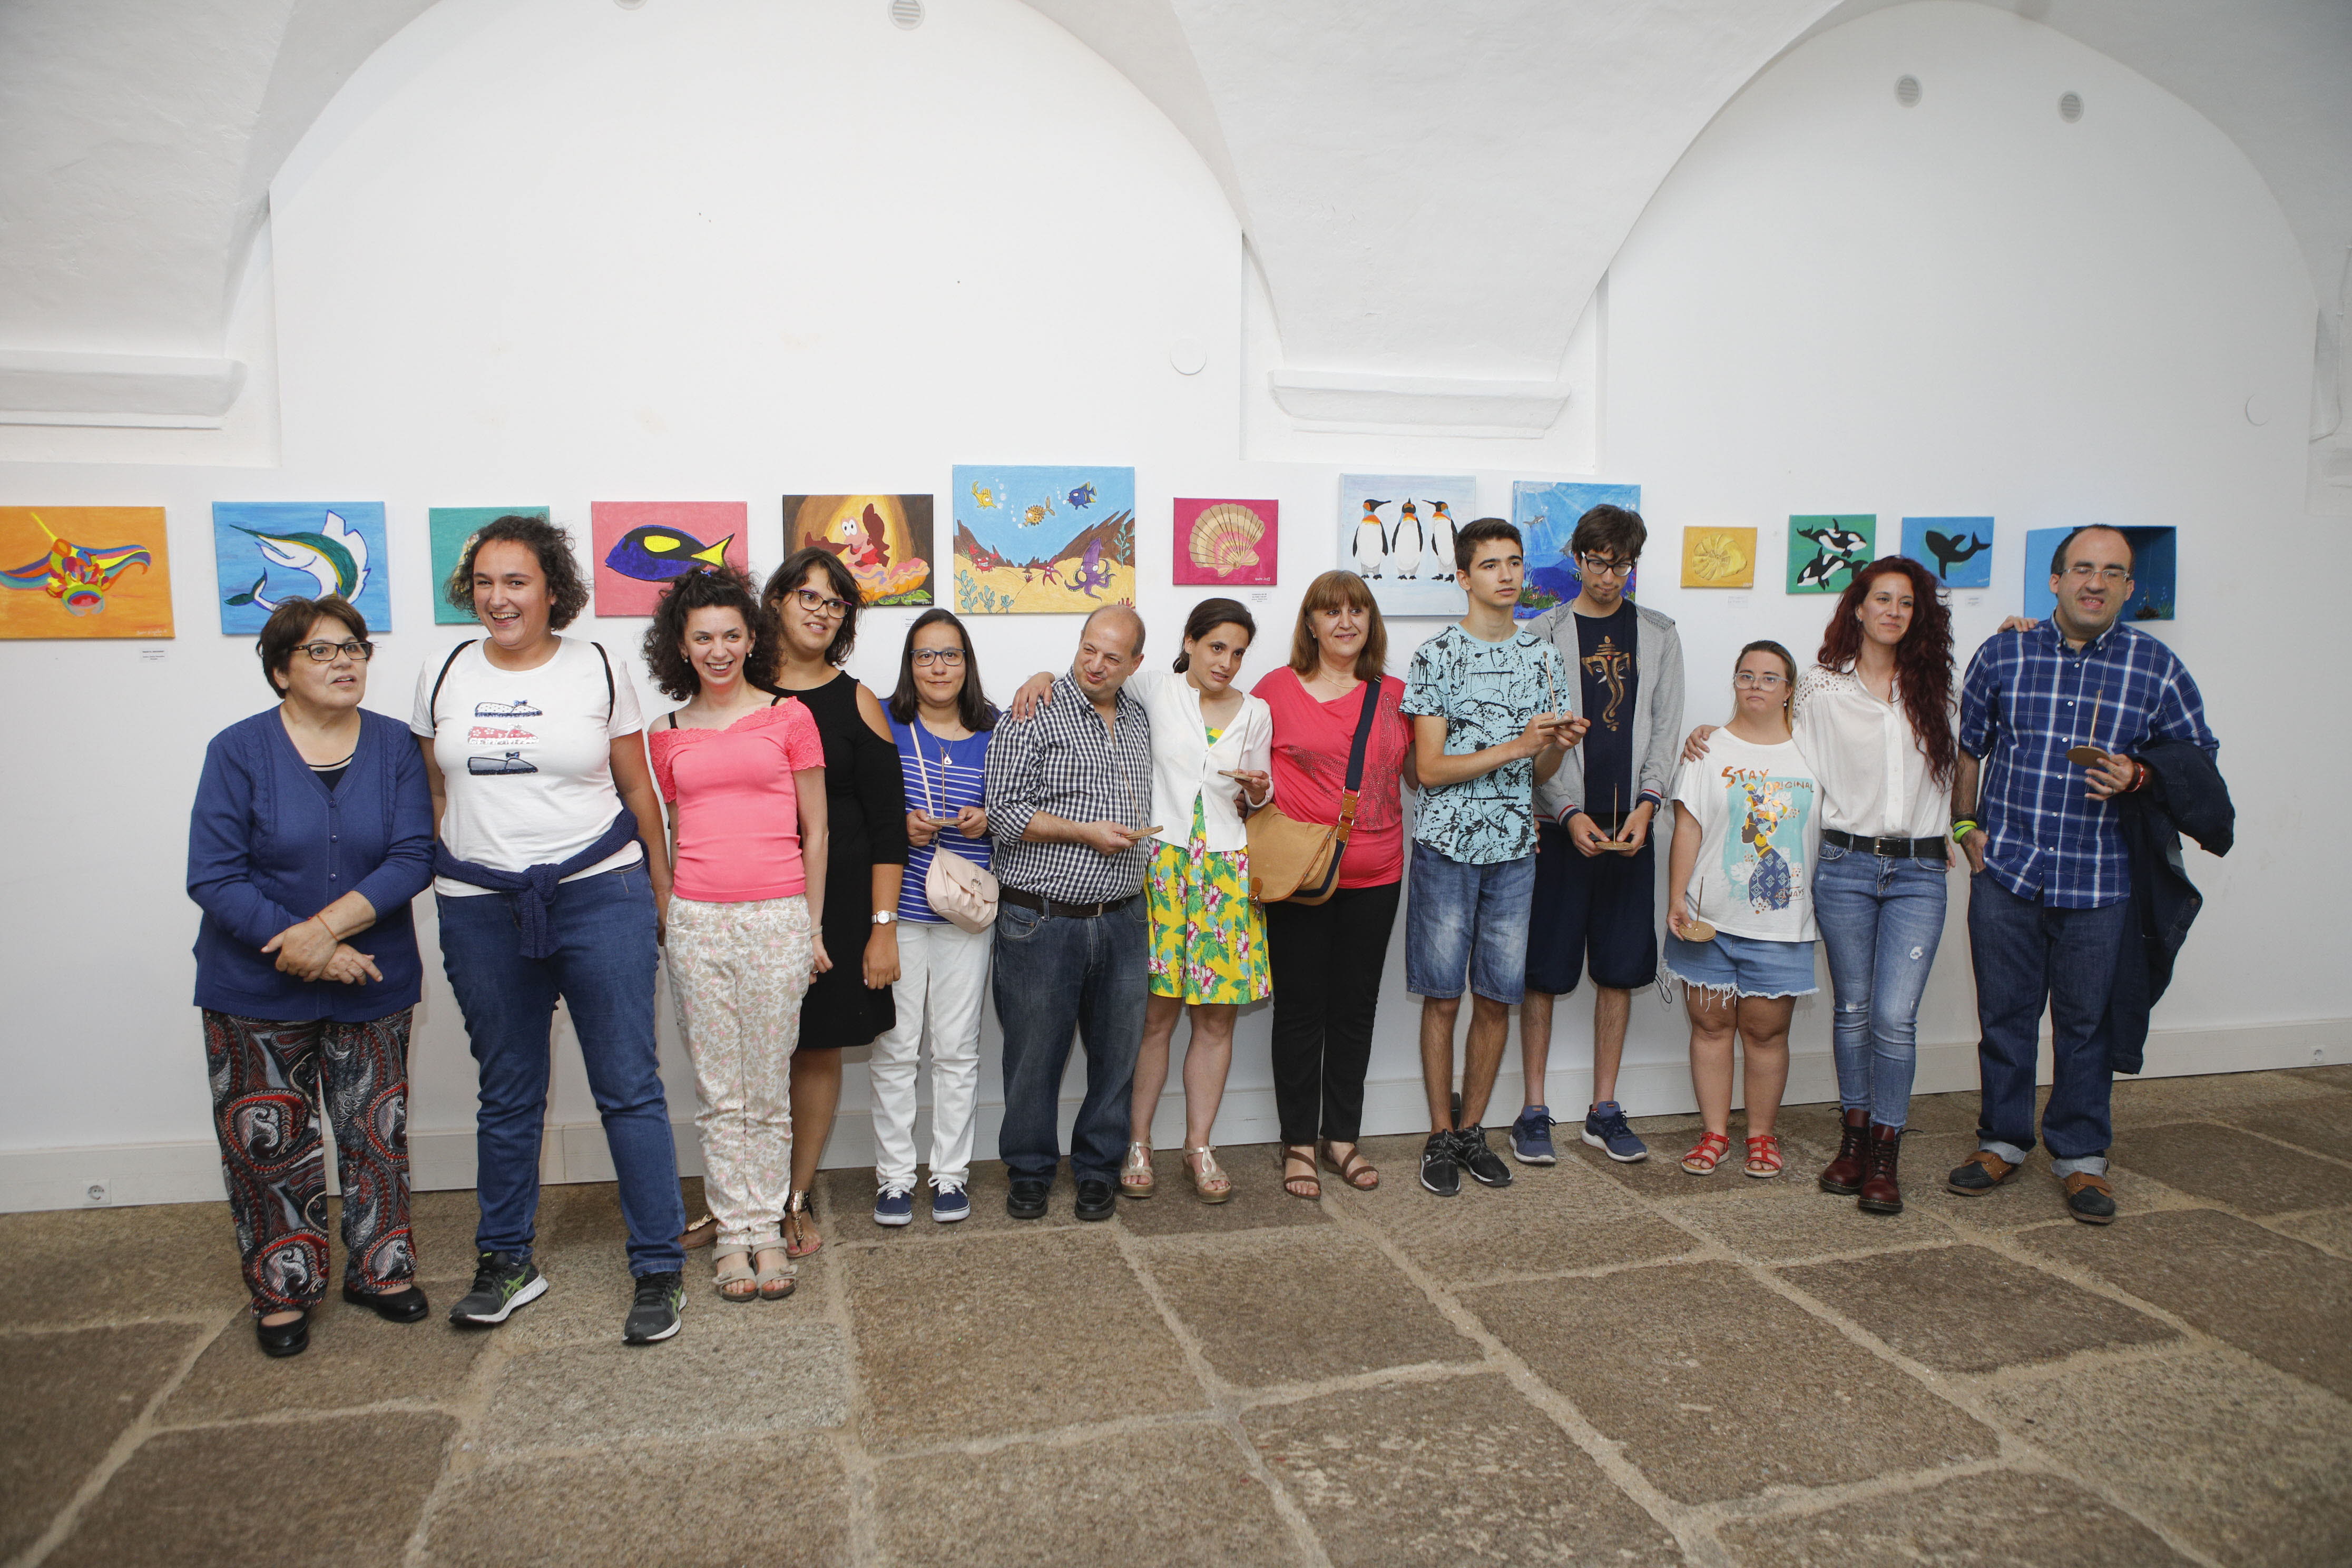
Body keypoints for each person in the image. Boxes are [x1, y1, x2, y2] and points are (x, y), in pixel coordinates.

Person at [414, 515, 688, 1345]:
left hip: (599, 896)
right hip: (480, 905)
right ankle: (505, 1259)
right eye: (486, 584)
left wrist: (662, 893)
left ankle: (659, 1267)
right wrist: (455, 878)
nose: (499, 599)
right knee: (507, 1089)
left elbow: (641, 793)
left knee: (627, 1084)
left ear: (553, 590)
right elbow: (437, 792)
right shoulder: (442, 671)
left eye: (518, 582)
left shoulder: (599, 666)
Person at [188, 596, 435, 1358]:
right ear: (279, 670)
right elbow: (215, 876)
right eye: (322, 651)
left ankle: (379, 1271)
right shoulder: (238, 750)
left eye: (354, 648)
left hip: (371, 979)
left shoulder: (395, 746)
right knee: (270, 1148)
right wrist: (308, 948)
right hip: (254, 990)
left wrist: (326, 932)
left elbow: (413, 856)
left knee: (375, 1136)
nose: (345, 662)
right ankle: (282, 1289)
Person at [1950, 524, 2216, 1223]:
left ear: (2130, 587)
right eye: (2083, 568)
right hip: (2007, 873)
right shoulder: (2003, 652)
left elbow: (2198, 755)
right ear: (2056, 579)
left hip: (2103, 883)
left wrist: (2141, 772)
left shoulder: (2156, 668)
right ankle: (2002, 1141)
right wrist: (1964, 826)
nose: (2095, 582)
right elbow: (1969, 747)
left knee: (2087, 1025)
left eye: (2112, 572)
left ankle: (2080, 1157)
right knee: (2004, 1019)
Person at [1681, 559, 1957, 1213]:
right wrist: (1707, 738)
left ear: (1919, 616)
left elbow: (1969, 758)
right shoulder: (1820, 691)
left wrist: (2021, 626)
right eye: (1880, 599)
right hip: (1846, 870)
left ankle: (1887, 1152)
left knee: (1895, 1016)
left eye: (1906, 603)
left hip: (1919, 871)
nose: (1892, 610)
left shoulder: (1940, 690)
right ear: (1857, 608)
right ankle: (1854, 1142)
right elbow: (1761, 729)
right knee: (1854, 1011)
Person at [1010, 600, 1274, 1203]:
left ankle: (1200, 1146)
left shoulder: (1256, 713)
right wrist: (1042, 677)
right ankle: (1137, 1142)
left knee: (1215, 1020)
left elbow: (1254, 799)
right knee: (1151, 1019)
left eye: (1237, 652)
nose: (1226, 662)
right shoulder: (1155, 688)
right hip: (1162, 871)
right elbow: (1095, 674)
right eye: (1216, 648)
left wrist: (1259, 792)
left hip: (1226, 878)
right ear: (1191, 643)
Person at [645, 569, 827, 1301]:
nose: (718, 650)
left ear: (752, 638)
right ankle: (732, 1235)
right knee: (720, 1091)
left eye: (730, 635)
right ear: (681, 647)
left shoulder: (790, 718)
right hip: (698, 922)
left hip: (778, 918)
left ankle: (765, 1228)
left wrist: (812, 927)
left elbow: (816, 831)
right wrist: (671, 913)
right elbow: (672, 829)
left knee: (767, 1089)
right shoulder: (664, 735)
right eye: (702, 638)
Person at [1402, 518, 1583, 1198]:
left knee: (1498, 998)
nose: (1505, 576)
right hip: (1447, 847)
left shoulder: (1542, 656)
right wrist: (1516, 744)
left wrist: (1557, 743)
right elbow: (1429, 768)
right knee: (1443, 998)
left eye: (1513, 563)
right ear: (1464, 576)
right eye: (1490, 565)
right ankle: (1439, 1135)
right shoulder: (1436, 656)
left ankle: (1473, 1131)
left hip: (1515, 849)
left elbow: (1539, 774)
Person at [1517, 503, 1684, 1167]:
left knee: (1618, 971)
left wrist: (1649, 807)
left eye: (1619, 564)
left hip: (1632, 829)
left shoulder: (1661, 634)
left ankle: (1605, 1108)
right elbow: (1533, 739)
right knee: (1543, 974)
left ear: (1632, 564)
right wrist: (1566, 812)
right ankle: (1533, 1108)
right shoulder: (1539, 634)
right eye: (1595, 561)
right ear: (1577, 558)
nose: (1607, 576)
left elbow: (1667, 730)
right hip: (1560, 830)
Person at [756, 547, 908, 1257]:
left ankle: (795, 1195)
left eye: (835, 601)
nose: (819, 610)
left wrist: (883, 930)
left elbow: (888, 829)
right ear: (778, 601)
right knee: (753, 1055)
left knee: (815, 1050)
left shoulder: (858, 701)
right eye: (806, 595)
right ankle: (745, 1197)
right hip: (750, 897)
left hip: (842, 905)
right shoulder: (741, 692)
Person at [984, 605, 1154, 1221]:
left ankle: (1097, 1168)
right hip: (1042, 920)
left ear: (1135, 664)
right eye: (1089, 648)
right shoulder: (1035, 710)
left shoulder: (1140, 715)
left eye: (1113, 656)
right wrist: (1086, 833)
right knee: (1034, 1055)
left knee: (1116, 1055)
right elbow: (1002, 814)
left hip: (1125, 917)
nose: (1096, 664)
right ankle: (1029, 1171)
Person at [1253, 572, 1418, 1199]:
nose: (1346, 622)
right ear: (1311, 625)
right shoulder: (1274, 690)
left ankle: (1341, 1137)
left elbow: (1425, 774)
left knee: (1356, 1008)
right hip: (1298, 874)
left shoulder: (1398, 696)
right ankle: (1298, 1140)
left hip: (1378, 875)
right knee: (1299, 1010)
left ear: (1371, 623)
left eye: (1358, 611)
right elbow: (1218, 732)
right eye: (1332, 612)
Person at [1663, 641, 1821, 1180]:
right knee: (1710, 1028)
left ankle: (1760, 1136)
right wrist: (1676, 899)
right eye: (1746, 675)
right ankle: (1713, 1134)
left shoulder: (1813, 753)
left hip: (1781, 925)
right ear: (1734, 682)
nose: (1756, 685)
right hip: (1710, 920)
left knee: (1765, 1033)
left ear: (1789, 690)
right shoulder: (1709, 751)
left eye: (1770, 677)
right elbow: (1689, 827)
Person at [871, 610, 997, 1227]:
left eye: (950, 655)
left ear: (967, 662)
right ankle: (894, 1179)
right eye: (925, 656)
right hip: (899, 911)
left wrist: (989, 819)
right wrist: (899, 825)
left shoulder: (996, 730)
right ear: (909, 664)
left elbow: (1024, 807)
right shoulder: (885, 724)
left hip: (967, 915)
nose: (939, 667)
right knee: (896, 1049)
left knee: (956, 1049)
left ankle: (950, 1175)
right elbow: (859, 810)